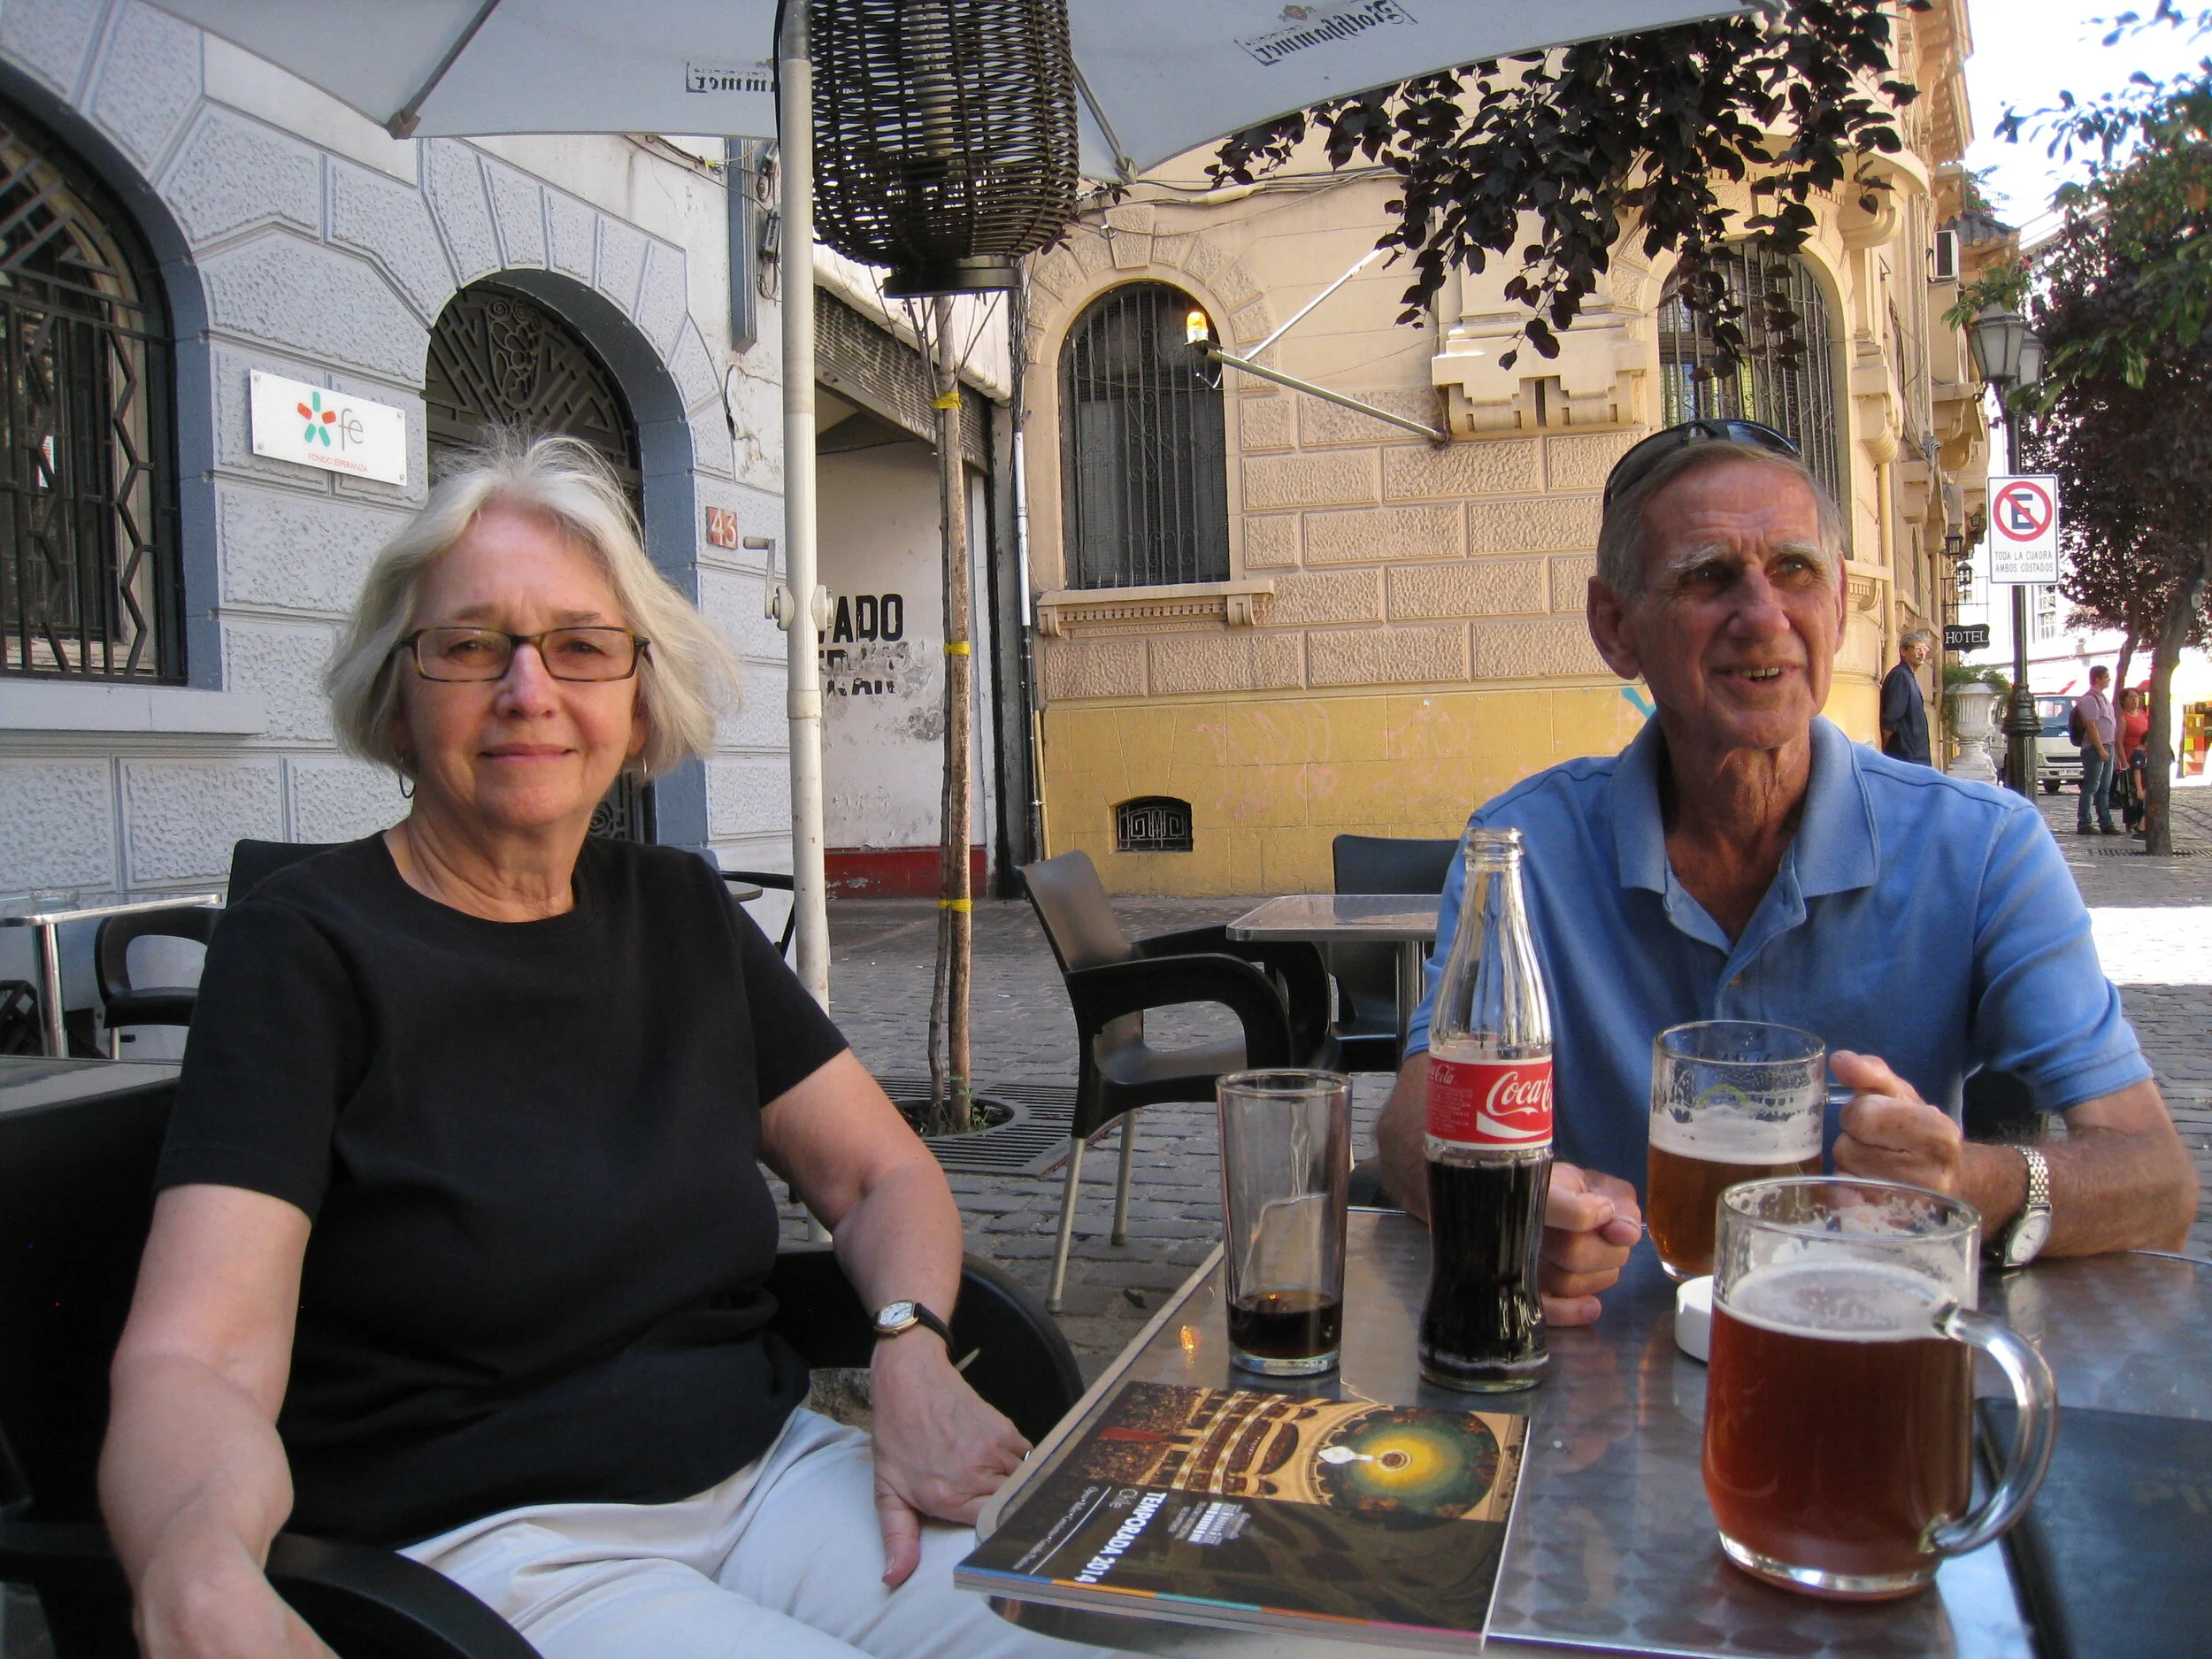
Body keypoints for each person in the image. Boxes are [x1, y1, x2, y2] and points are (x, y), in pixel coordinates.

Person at [98, 436, 1114, 1659]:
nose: (528, 689)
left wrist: (907, 1347)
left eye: (581, 645)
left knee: (1101, 1632)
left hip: (779, 1475)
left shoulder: (681, 912)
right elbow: (197, 1350)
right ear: (398, 693)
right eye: (472, 644)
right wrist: (196, 1558)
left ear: (637, 701)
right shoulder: (306, 950)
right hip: (504, 1546)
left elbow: (878, 1172)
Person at [1376, 420, 2198, 1327]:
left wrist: (1971, 1178)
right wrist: (1506, 1209)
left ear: (1838, 606)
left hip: (1863, 1367)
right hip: (1608, 1380)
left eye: (1795, 571)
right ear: (1616, 626)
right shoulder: (1521, 850)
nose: (1764, 616)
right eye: (1707, 576)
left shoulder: (1980, 848)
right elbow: (1414, 1127)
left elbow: (2155, 1179)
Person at [2074, 664, 2118, 835]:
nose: (2109, 680)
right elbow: (2091, 726)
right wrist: (2100, 749)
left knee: (2104, 787)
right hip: (2095, 748)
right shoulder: (2089, 699)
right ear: (2098, 679)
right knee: (2091, 786)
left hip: (2108, 745)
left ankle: (2106, 821)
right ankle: (2084, 822)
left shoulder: (2103, 698)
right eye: (2106, 676)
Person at [1878, 629, 1933, 764]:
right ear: (1903, 651)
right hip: (1905, 756)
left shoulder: (1909, 676)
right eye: (1917, 648)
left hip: (1915, 755)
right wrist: (1885, 747)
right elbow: (1891, 717)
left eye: (1924, 648)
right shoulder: (1900, 676)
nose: (1922, 653)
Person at [2117, 685, 2152, 834]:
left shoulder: (2143, 714)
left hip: (2145, 757)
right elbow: (2119, 741)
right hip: (2131, 756)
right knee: (2132, 791)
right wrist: (2123, 761)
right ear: (2123, 701)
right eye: (2131, 697)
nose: (2135, 700)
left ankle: (2142, 821)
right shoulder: (2123, 717)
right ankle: (2131, 822)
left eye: (2136, 697)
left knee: (2144, 788)